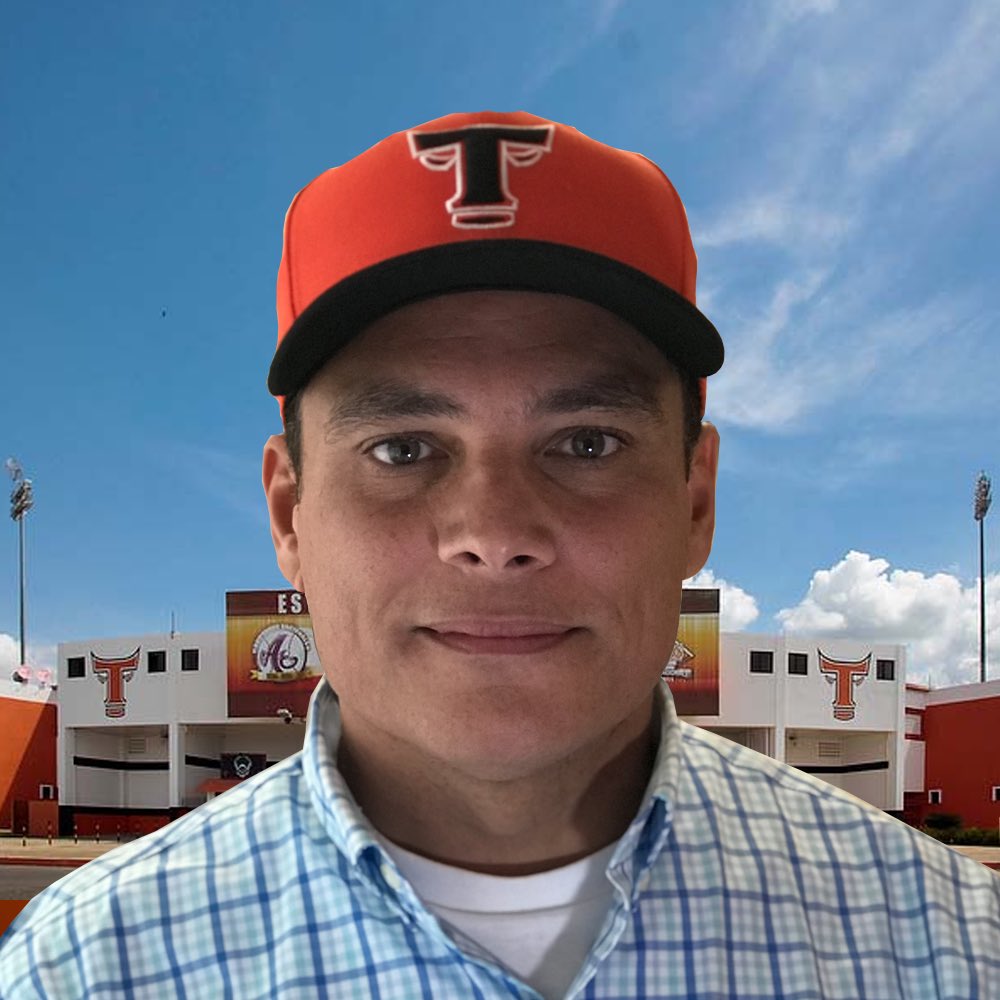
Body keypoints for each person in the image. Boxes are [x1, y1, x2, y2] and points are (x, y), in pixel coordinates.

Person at [1, 110, 997, 1000]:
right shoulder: (83, 968)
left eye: (587, 443)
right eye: (402, 450)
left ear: (694, 499)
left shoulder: (951, 946)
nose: (495, 533)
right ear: (291, 513)